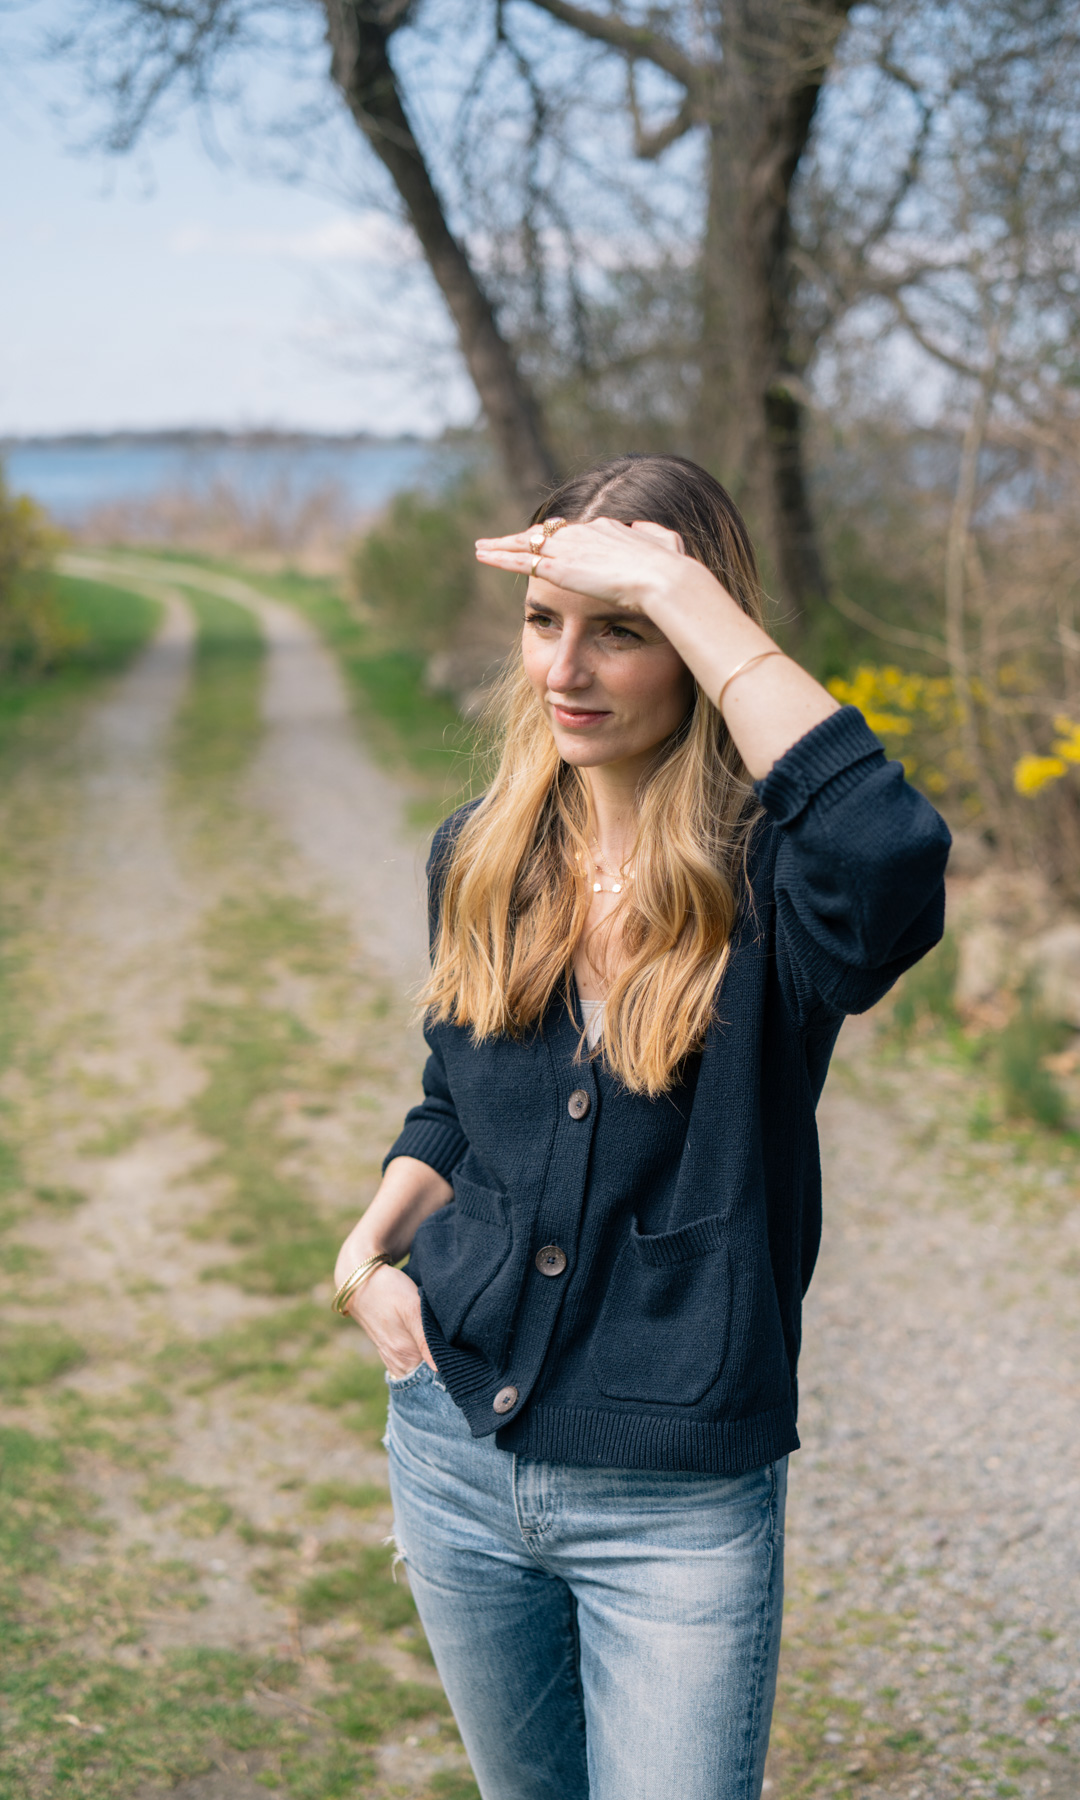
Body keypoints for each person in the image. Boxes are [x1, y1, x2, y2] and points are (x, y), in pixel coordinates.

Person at [331, 453, 950, 1800]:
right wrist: (367, 1252)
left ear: (695, 641)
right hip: (454, 1451)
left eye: (624, 629)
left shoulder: (779, 882)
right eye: (547, 619)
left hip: (676, 1504)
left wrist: (673, 579)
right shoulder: (481, 852)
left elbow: (894, 856)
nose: (569, 667)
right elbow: (454, 1106)